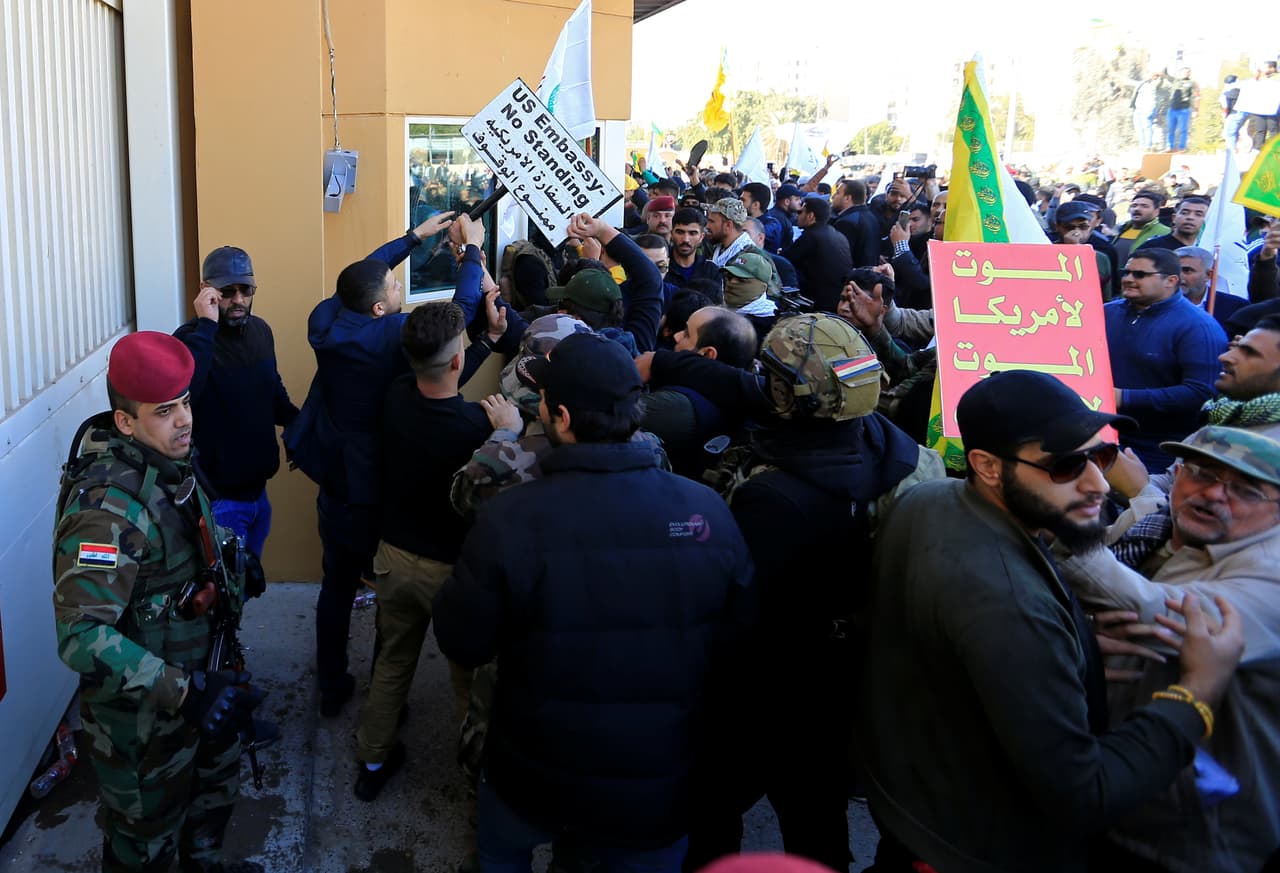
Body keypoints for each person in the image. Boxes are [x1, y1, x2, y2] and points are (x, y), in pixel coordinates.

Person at [860, 369, 1245, 873]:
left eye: (1101, 455)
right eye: (1065, 466)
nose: (1099, 484)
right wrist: (1197, 692)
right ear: (988, 467)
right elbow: (1086, 793)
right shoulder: (1010, 607)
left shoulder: (927, 500)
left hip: (913, 807)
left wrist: (1074, 649)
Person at [433, 332, 755, 872]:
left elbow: (461, 638)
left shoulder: (511, 519)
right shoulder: (707, 513)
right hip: (653, 790)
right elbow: (738, 647)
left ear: (559, 416)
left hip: (529, 773)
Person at [639, 313, 942, 873]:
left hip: (767, 684)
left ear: (786, 392)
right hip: (845, 681)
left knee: (713, 809)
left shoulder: (777, 500)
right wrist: (665, 361)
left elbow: (736, 611)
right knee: (817, 820)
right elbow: (757, 391)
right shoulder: (893, 448)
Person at [53, 332, 265, 873]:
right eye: (165, 410)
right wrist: (185, 691)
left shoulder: (168, 463)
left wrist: (232, 563)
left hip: (202, 683)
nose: (185, 420)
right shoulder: (106, 510)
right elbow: (80, 637)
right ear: (125, 422)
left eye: (186, 402)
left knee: (209, 813)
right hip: (146, 727)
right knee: (147, 849)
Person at [1058, 425, 1280, 873]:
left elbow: (1160, 616)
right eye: (1200, 473)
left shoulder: (1271, 571)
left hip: (1194, 841)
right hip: (1109, 796)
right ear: (1175, 473)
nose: (1213, 494)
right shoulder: (1156, 527)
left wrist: (1058, 522)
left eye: (1246, 490)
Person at [285, 210, 456, 717]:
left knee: (335, 586)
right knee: (389, 597)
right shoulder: (388, 336)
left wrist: (412, 239)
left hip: (335, 481)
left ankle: (331, 683)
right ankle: (388, 697)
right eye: (395, 286)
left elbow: (356, 280)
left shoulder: (325, 322)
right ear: (382, 309)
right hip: (377, 486)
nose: (401, 286)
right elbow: (457, 315)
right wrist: (471, 256)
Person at [352, 300, 513, 802]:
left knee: (392, 661)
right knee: (467, 680)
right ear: (459, 363)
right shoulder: (476, 430)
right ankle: (475, 781)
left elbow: (440, 390)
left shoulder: (397, 395)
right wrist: (505, 431)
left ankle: (372, 760)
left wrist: (483, 340)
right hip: (451, 574)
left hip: (394, 559)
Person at [174, 246, 298, 577]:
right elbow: (187, 398)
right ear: (206, 291)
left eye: (246, 290)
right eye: (227, 292)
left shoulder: (261, 332)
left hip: (258, 495)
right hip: (219, 502)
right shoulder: (190, 340)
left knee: (243, 591)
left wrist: (303, 426)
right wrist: (207, 326)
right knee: (223, 597)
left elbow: (272, 392)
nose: (239, 299)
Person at [1107, 249, 1227, 470]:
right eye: (1126, 272)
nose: (1128, 279)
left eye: (1140, 274)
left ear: (1171, 280)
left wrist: (1124, 397)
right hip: (1101, 434)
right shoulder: (1105, 313)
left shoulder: (1198, 327)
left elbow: (1201, 393)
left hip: (1157, 450)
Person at [783, 196, 852, 313]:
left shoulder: (811, 236)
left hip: (817, 303)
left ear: (810, 216)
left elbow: (786, 260)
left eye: (800, 212)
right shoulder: (838, 235)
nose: (797, 216)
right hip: (836, 299)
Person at [829, 179, 881, 268]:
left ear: (847, 198)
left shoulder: (846, 222)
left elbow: (840, 258)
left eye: (837, 193)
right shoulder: (870, 216)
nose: (833, 196)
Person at [1112, 191, 1170, 265]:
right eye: (1134, 205)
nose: (1137, 209)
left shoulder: (1164, 232)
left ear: (1156, 211)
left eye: (1144, 206)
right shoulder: (1123, 228)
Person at [1137, 196, 1210, 253]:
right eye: (1185, 213)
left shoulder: (1207, 248)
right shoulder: (1152, 248)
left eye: (1198, 214)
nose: (1190, 217)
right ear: (1174, 217)